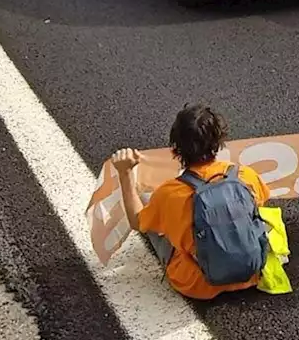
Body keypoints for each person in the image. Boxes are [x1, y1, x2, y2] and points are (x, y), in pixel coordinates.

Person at [110, 104, 270, 300]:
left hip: (197, 283)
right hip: (251, 273)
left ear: (176, 148)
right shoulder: (244, 175)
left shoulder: (170, 193)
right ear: (218, 141)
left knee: (147, 207)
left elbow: (136, 222)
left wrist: (125, 173)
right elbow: (259, 204)